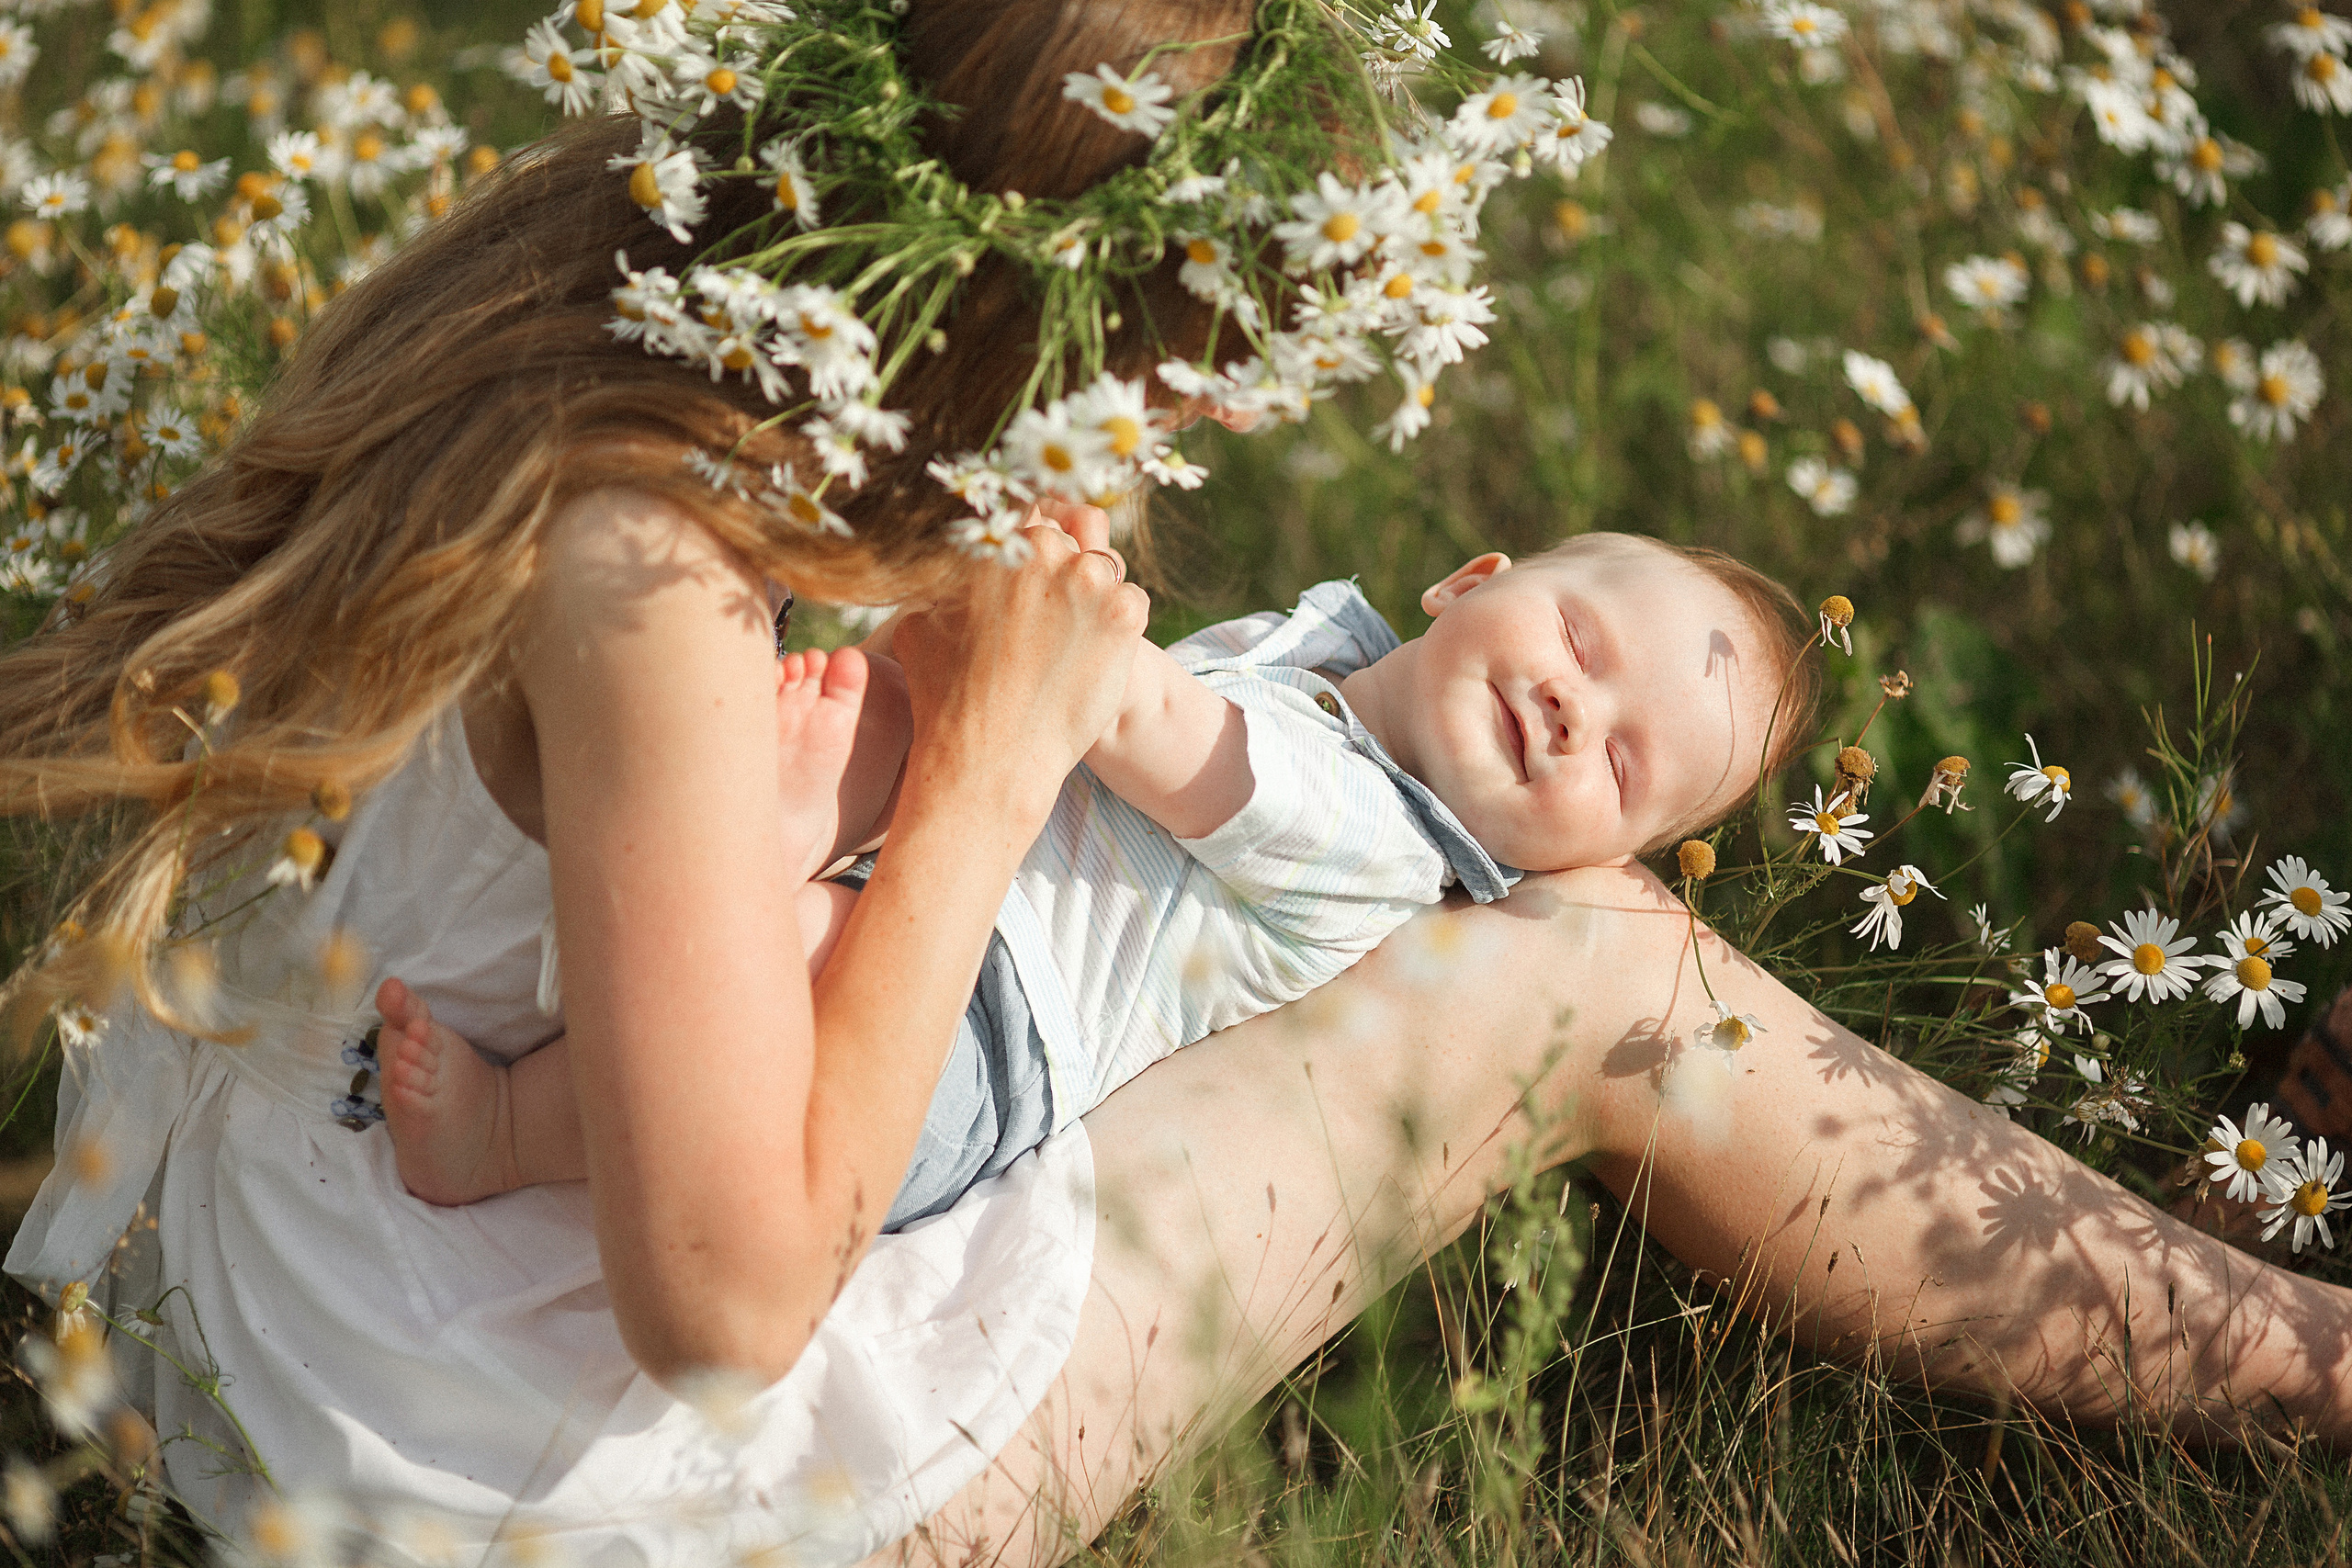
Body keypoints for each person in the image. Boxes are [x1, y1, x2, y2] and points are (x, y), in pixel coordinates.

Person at [0, 5, 2345, 1567]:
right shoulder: (673, 561)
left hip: (334, 1261)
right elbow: (721, 1297)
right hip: (499, 1464)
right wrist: (1000, 760)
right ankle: (2310, 1367)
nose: (1216, 413)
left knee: (1531, 911)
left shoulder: (693, 295)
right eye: (1214, 337)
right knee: (1601, 969)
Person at [378, 531, 1817, 1222]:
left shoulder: (1384, 847)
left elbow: (1143, 719)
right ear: (1469, 580)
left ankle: (514, 1126)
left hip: (983, 1033)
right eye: (1581, 637)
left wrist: (1055, 596)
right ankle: (744, 816)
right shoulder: (1313, 648)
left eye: (1623, 766)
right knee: (885, 713)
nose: (1577, 707)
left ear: (1591, 857)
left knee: (817, 955)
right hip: (971, 854)